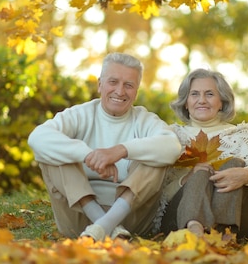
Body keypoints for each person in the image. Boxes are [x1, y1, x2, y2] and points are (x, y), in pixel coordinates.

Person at [28, 52, 182, 241]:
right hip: (78, 218)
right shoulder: (80, 115)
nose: (120, 91)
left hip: (131, 219)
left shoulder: (144, 120)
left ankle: (104, 225)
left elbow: (172, 146)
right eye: (113, 82)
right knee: (54, 154)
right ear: (100, 85)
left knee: (155, 156)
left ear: (136, 91)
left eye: (129, 85)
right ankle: (105, 224)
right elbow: (37, 138)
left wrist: (119, 151)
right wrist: (88, 155)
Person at [155, 68, 248, 241]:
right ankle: (195, 230)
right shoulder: (170, 136)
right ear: (185, 102)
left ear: (221, 101)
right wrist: (189, 179)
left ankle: (224, 234)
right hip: (179, 220)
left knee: (236, 164)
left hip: (238, 220)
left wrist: (246, 175)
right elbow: (158, 193)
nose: (202, 100)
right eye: (194, 94)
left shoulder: (242, 136)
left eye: (209, 94)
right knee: (201, 172)